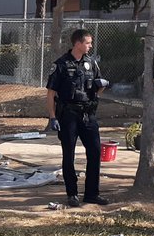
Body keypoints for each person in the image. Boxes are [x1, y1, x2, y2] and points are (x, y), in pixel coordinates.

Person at [45, 29, 110, 207]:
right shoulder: (61, 64)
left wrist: (101, 86)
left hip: (88, 114)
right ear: (78, 43)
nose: (90, 46)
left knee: (95, 152)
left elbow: (98, 89)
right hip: (68, 115)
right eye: (88, 43)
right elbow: (51, 94)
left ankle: (91, 194)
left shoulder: (91, 63)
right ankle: (72, 193)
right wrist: (52, 117)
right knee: (69, 155)